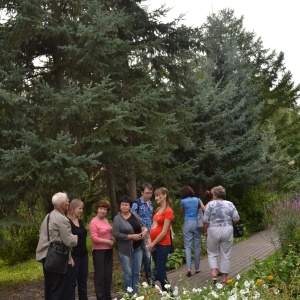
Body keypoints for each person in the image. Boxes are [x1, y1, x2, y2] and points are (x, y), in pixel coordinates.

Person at [36, 192, 78, 300]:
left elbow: (42, 234)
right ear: (63, 204)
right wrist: (75, 238)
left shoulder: (48, 216)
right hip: (58, 258)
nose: (69, 202)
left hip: (47, 257)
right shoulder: (62, 219)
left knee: (50, 288)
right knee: (60, 290)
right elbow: (69, 241)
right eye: (68, 201)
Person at [203, 185, 240, 285]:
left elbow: (205, 220)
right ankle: (224, 278)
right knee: (226, 254)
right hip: (227, 230)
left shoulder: (210, 205)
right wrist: (228, 220)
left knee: (212, 253)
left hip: (213, 230)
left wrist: (205, 231)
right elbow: (236, 218)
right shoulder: (230, 204)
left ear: (214, 195)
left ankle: (214, 273)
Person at [113, 195, 148, 296]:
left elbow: (142, 226)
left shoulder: (135, 215)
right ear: (120, 206)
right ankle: (129, 294)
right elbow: (117, 234)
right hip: (125, 250)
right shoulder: (117, 219)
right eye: (122, 205)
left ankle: (136, 294)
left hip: (138, 248)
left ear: (130, 206)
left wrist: (144, 231)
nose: (124, 206)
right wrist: (131, 236)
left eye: (126, 205)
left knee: (136, 272)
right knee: (128, 273)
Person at [147, 187, 174, 291]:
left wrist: (152, 244)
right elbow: (153, 227)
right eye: (155, 195)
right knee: (161, 272)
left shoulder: (168, 211)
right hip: (154, 244)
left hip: (163, 244)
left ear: (165, 196)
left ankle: (170, 295)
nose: (156, 198)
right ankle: (166, 295)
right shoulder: (158, 210)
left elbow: (164, 232)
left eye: (158, 195)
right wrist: (150, 242)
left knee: (160, 273)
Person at [89, 200, 115, 300]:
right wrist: (107, 242)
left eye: (105, 209)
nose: (102, 211)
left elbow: (107, 233)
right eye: (101, 208)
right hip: (99, 251)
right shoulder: (93, 222)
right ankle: (100, 297)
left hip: (108, 251)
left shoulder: (106, 220)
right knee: (100, 275)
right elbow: (94, 238)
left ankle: (108, 296)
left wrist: (111, 238)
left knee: (108, 275)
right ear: (97, 209)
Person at [130, 182, 154, 284]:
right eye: (147, 193)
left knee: (149, 258)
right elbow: (132, 215)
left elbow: (150, 217)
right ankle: (146, 282)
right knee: (146, 257)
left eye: (150, 193)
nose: (149, 195)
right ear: (142, 192)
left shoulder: (150, 203)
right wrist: (141, 227)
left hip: (150, 233)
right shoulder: (137, 203)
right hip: (142, 234)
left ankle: (150, 281)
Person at [180, 186, 206, 277]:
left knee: (187, 246)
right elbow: (204, 209)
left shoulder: (182, 202)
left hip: (187, 223)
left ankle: (188, 268)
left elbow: (182, 213)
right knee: (197, 245)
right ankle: (197, 268)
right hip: (197, 223)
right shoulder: (198, 200)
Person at [67, 199, 88, 300]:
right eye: (79, 208)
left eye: (82, 209)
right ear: (73, 208)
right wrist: (69, 257)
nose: (81, 211)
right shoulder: (67, 222)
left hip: (84, 255)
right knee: (72, 282)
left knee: (83, 281)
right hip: (74, 255)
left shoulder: (80, 220)